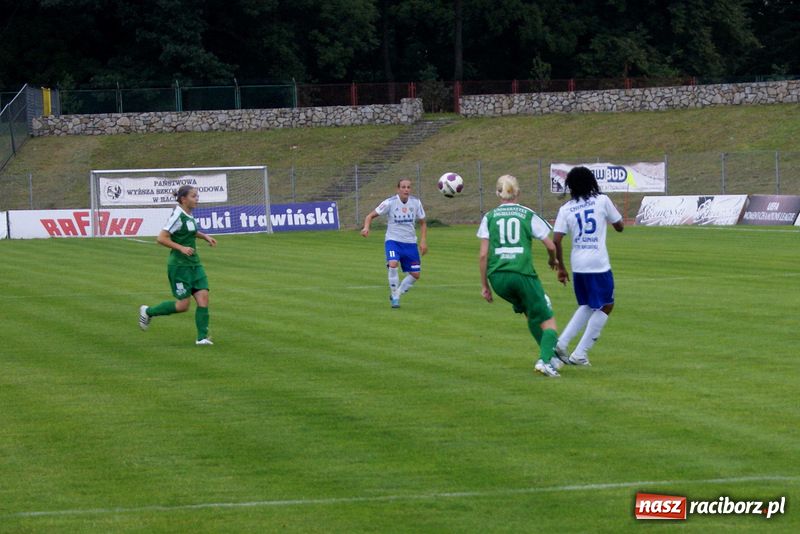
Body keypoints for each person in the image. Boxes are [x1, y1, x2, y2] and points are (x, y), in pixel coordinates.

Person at [478, 174, 562, 378]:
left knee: (530, 313)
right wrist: (553, 260)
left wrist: (485, 286)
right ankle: (544, 361)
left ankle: (549, 356)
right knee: (549, 320)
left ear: (498, 193)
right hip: (522, 274)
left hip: (498, 278)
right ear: (518, 192)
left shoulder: (489, 216)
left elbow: (483, 255)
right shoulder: (526, 214)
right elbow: (551, 245)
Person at [552, 166, 624, 367]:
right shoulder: (602, 200)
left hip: (578, 265)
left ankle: (563, 344)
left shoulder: (566, 209)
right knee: (607, 305)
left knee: (587, 305)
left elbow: (556, 240)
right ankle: (579, 353)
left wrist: (561, 268)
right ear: (592, 182)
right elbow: (620, 227)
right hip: (598, 263)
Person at [138, 185, 218, 345]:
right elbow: (161, 238)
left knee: (203, 298)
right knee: (183, 305)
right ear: (183, 199)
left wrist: (204, 236)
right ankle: (148, 311)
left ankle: (202, 338)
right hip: (179, 267)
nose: (197, 199)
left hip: (194, 264)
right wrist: (181, 248)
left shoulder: (188, 215)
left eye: (197, 196)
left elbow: (189, 231)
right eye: (193, 196)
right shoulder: (177, 215)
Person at [361, 178, 427, 308]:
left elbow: (423, 222)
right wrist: (366, 227)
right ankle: (395, 297)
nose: (406, 190)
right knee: (392, 263)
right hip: (393, 241)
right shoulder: (390, 203)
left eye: (408, 187)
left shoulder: (416, 203)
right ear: (398, 189)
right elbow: (369, 216)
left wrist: (423, 240)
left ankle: (398, 292)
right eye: (403, 187)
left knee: (415, 275)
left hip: (410, 243)